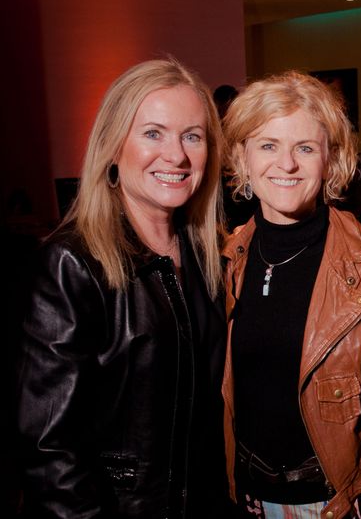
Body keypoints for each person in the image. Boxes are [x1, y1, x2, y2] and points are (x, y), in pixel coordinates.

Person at [221, 72, 361, 519]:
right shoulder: (226, 259)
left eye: (304, 148)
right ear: (242, 157)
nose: (285, 164)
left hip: (342, 503)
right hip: (244, 501)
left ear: (332, 159)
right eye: (268, 145)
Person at [14, 58, 229, 518]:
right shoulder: (72, 262)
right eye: (153, 133)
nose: (176, 155)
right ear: (114, 146)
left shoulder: (208, 256)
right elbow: (50, 451)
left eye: (192, 136)